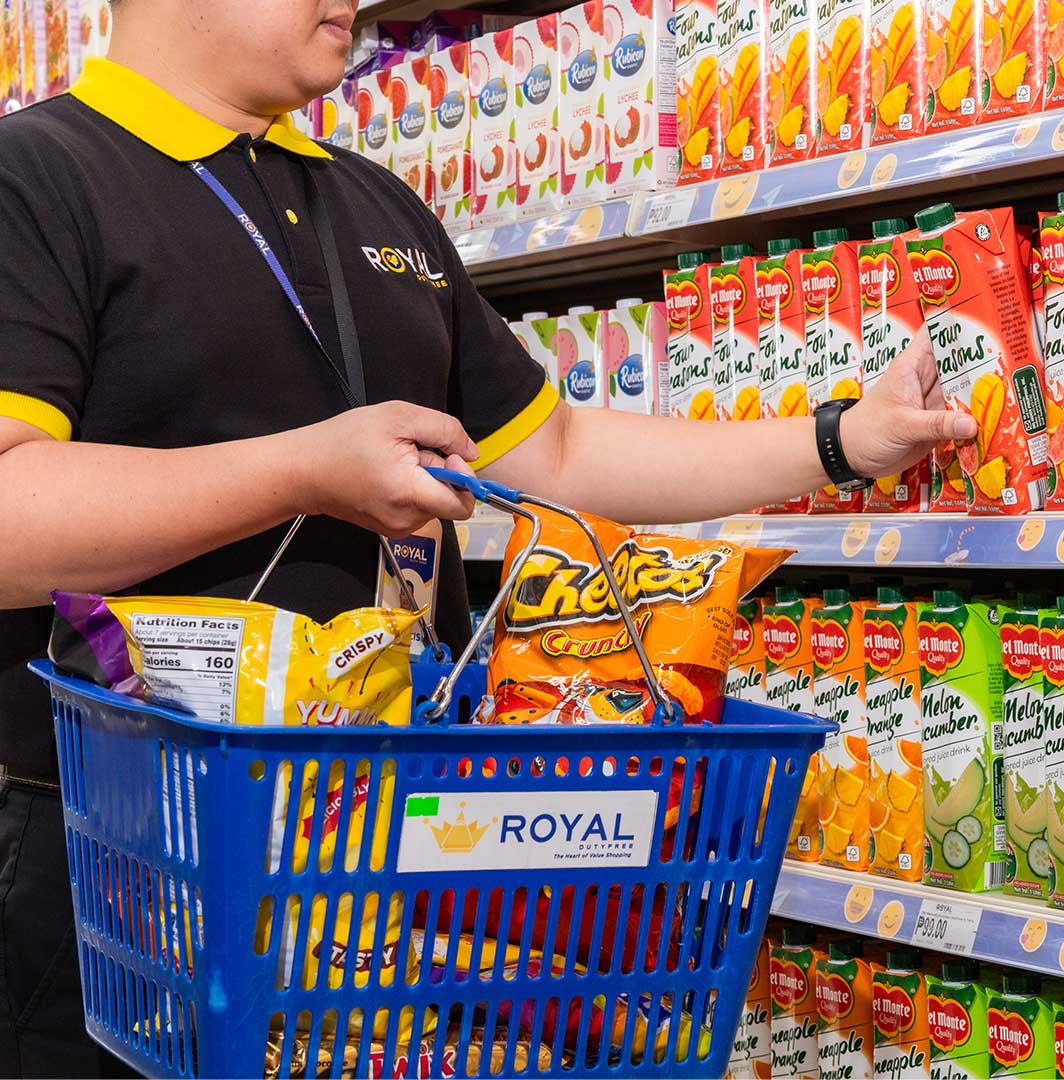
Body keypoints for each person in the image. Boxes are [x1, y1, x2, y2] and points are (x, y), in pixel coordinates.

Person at [0, 0, 975, 1075]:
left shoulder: (373, 202)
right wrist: (302, 470)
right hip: (121, 874)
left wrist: (843, 440)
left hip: (372, 864)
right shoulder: (36, 178)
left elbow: (553, 454)